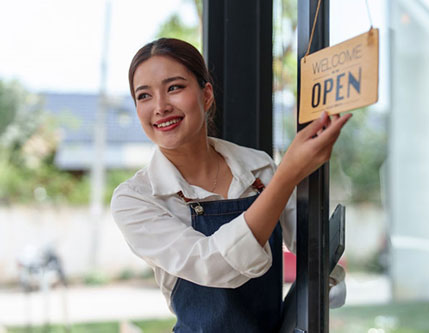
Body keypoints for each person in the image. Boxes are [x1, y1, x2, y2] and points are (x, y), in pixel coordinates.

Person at [111, 38, 351, 333]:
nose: (160, 106)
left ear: (206, 95)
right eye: (144, 96)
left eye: (174, 87)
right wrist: (289, 174)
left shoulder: (257, 167)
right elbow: (214, 264)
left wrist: (325, 279)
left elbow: (308, 244)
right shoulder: (137, 198)